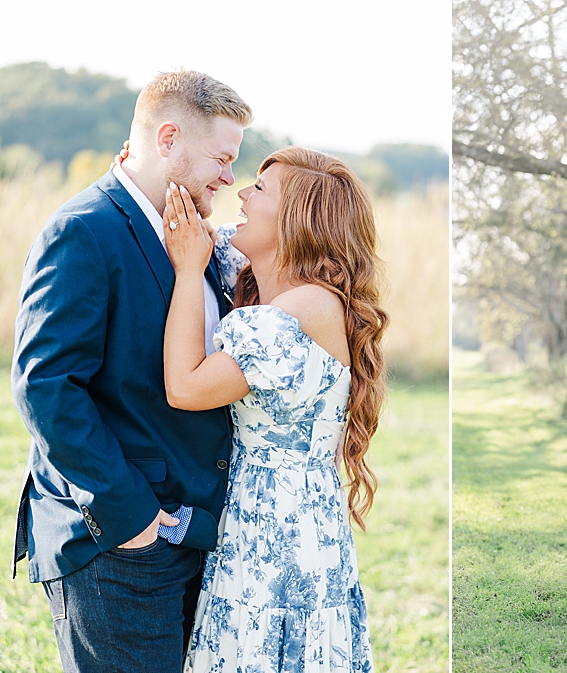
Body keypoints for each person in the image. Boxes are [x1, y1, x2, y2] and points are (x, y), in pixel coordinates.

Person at [11, 70, 252, 672]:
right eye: (222, 158)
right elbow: (46, 386)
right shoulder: (83, 230)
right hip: (118, 542)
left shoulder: (193, 235)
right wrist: (132, 515)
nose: (229, 177)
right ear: (168, 138)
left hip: (192, 534)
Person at [161, 146, 386, 672]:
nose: (241, 192)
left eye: (260, 190)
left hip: (276, 535)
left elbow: (186, 387)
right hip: (291, 519)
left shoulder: (301, 309)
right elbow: (202, 233)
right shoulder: (295, 296)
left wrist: (188, 272)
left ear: (296, 221)